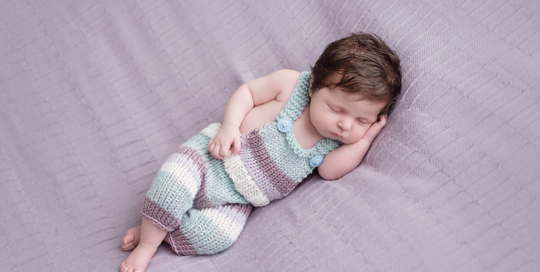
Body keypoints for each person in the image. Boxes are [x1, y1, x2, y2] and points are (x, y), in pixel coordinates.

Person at [120, 32, 402, 272]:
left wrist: (364, 140)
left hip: (238, 200)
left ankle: (158, 231)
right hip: (212, 158)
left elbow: (329, 172)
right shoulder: (291, 85)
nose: (344, 124)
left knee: (216, 238)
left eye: (361, 121)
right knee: (173, 184)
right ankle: (147, 245)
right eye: (336, 109)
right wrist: (229, 126)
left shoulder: (335, 142)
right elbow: (249, 93)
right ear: (315, 83)